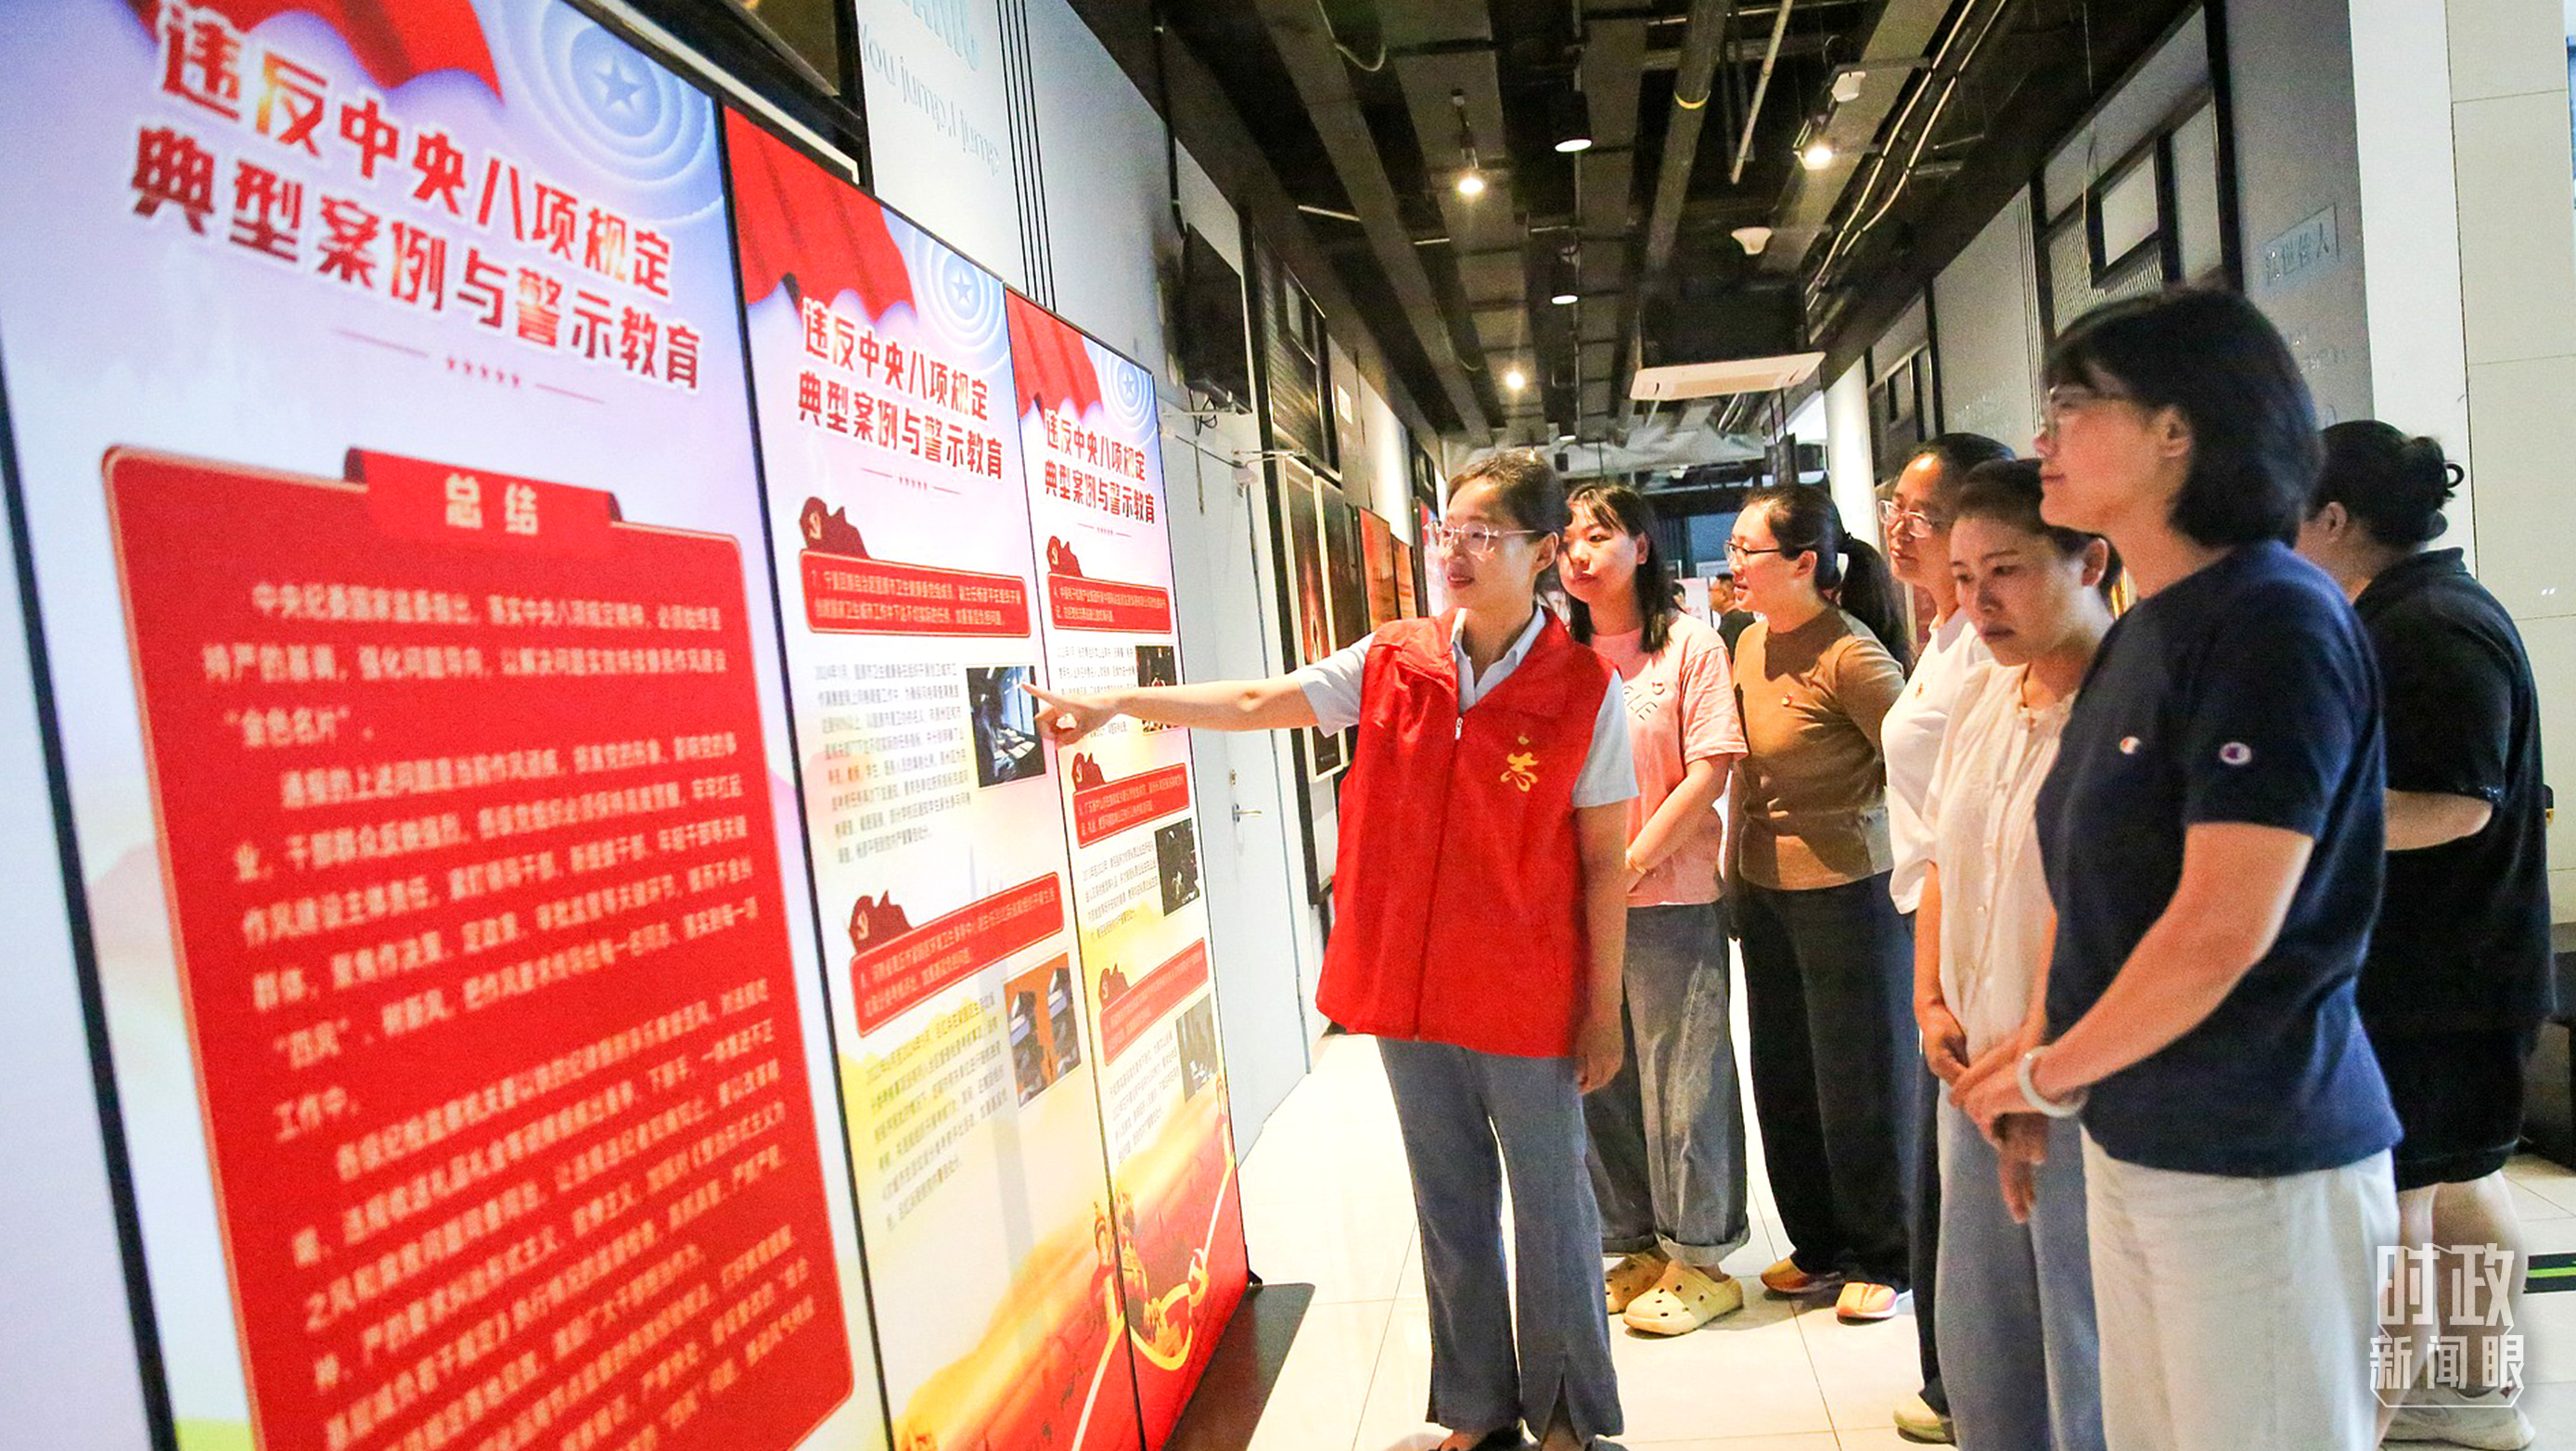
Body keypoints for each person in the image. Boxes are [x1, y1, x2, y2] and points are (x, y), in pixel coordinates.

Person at [1027, 451, 1633, 1451]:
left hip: (1526, 992)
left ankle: (1567, 1416)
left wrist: (1601, 1010)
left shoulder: (1582, 690)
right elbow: (1259, 702)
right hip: (1406, 990)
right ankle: (1477, 1412)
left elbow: (1605, 862)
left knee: (1553, 1206)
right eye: (1449, 532)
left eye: (1483, 535)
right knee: (1447, 1202)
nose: (1457, 553)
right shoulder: (1396, 660)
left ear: (1540, 552)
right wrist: (1119, 703)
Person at [1955, 289, 2401, 1451]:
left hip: (2258, 1146)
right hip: (2137, 1132)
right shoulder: (2148, 626)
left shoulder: (2273, 618)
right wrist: (2041, 1066)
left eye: (2071, 405)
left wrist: (2046, 1071)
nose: (2042, 436)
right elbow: (2089, 887)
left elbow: (2219, 926)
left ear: (2175, 429)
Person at [2296, 421, 2550, 1450]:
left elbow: (2456, 802)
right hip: (2449, 972)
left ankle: (2384, 1419)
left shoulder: (2429, 624)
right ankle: (2476, 1394)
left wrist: (2299, 824)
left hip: (2445, 977)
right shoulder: (2409, 610)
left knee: (2401, 1214)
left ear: (2332, 518)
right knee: (2453, 1190)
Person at [1919, 459, 2114, 1451]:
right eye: (1963, 577)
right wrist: (1929, 1004)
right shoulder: (1983, 695)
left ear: (2089, 562)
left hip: (2077, 1075)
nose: (1978, 600)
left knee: (2083, 1345)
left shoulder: (2126, 709)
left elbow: (2099, 906)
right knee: (1984, 1346)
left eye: (2006, 570)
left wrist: (2039, 1061)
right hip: (1972, 1069)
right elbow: (1940, 861)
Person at [1560, 482, 1751, 1336]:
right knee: (1600, 1075)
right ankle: (1635, 1242)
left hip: (1669, 894)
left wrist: (1629, 862)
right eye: (1567, 538)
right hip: (1573, 905)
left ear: (1640, 547)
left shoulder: (1689, 647)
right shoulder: (1556, 655)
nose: (1578, 553)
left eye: (1597, 535)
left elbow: (1710, 767)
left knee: (1686, 1078)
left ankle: (1700, 1258)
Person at [1726, 482, 1918, 1323]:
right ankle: (1819, 1244)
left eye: (1747, 550)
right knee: (1787, 1075)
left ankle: (1888, 1253)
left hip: (1849, 892)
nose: (1733, 563)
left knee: (1860, 1080)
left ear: (1803, 562)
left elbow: (1918, 764)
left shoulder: (1851, 655)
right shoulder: (1748, 642)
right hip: (1766, 891)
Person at [1877, 432, 2014, 1444]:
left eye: (1922, 515)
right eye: (1897, 508)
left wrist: (1937, 987)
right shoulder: (1939, 635)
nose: (1900, 528)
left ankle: (1972, 1388)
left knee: (1978, 1196)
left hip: (1976, 941)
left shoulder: (1988, 649)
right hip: (1935, 934)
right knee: (1948, 1192)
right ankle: (1958, 1382)